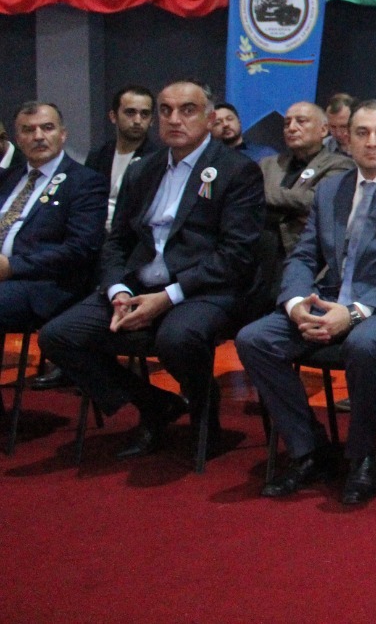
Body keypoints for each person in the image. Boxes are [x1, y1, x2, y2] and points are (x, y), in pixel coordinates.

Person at [39, 80, 266, 462]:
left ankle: (204, 412)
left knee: (176, 339)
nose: (174, 119)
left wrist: (167, 298)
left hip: (203, 289)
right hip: (139, 284)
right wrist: (117, 292)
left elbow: (236, 255)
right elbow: (118, 241)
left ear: (209, 118)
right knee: (58, 336)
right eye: (165, 110)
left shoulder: (236, 171)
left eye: (187, 110)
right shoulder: (143, 170)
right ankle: (155, 405)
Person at [238, 100, 376, 504]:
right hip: (331, 298)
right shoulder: (331, 188)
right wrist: (297, 302)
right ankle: (309, 449)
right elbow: (303, 255)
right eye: (363, 133)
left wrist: (354, 312)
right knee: (254, 339)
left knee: (363, 344)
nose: (373, 142)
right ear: (346, 140)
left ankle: (362, 457)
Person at [0, 103, 111, 340]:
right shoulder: (6, 178)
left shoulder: (85, 182)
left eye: (47, 128)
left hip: (43, 284)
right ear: (18, 139)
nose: (38, 136)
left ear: (63, 134)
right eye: (28, 130)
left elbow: (80, 249)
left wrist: (12, 266)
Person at [259, 102, 354, 262]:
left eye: (301, 121)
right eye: (287, 123)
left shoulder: (340, 165)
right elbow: (248, 201)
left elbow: (313, 200)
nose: (292, 128)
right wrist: (293, 210)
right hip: (260, 252)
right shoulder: (267, 164)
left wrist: (265, 195)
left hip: (304, 254)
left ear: (323, 130)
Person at [85, 84, 159, 226]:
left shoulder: (156, 160)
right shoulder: (98, 155)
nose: (138, 121)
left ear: (152, 121)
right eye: (130, 112)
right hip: (95, 233)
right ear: (113, 116)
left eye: (145, 114)